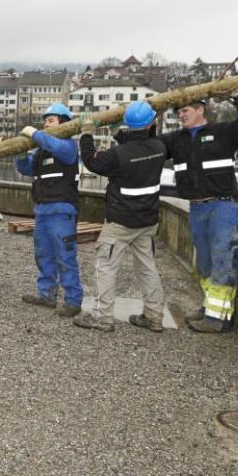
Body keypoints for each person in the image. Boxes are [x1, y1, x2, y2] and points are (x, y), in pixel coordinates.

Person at [160, 93, 238, 333]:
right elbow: (148, 147)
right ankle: (210, 307)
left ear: (200, 110)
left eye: (185, 110)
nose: (180, 115)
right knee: (205, 263)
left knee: (223, 260)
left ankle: (218, 320)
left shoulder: (224, 132)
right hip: (197, 207)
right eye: (178, 112)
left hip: (222, 207)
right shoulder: (176, 139)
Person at [73, 101, 167, 333]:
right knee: (147, 268)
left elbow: (92, 161)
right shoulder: (159, 148)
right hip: (147, 221)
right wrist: (117, 133)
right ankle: (154, 317)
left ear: (129, 124)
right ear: (152, 123)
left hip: (121, 222)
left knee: (105, 266)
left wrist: (87, 134)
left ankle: (103, 317)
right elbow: (135, 147)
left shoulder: (119, 155)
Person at [15, 103, 84, 317]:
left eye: (51, 120)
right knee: (43, 255)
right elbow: (26, 168)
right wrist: (20, 153)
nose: (46, 123)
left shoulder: (68, 146)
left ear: (64, 123)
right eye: (45, 120)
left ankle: (73, 301)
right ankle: (46, 295)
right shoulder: (41, 151)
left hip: (62, 211)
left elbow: (61, 150)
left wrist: (35, 134)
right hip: (43, 211)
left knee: (65, 256)